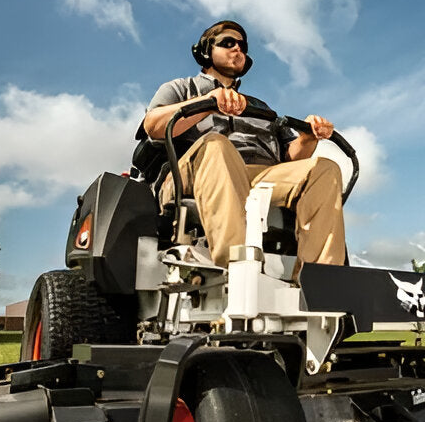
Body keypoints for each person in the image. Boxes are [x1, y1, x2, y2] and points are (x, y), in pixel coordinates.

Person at [140, 20, 345, 277]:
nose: (238, 48)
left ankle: (321, 280)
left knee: (324, 168)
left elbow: (289, 158)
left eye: (242, 45)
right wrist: (208, 102)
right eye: (227, 42)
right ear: (205, 51)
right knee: (218, 145)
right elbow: (153, 126)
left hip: (258, 176)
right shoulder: (181, 88)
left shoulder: (262, 107)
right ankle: (236, 267)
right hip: (193, 170)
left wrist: (307, 138)